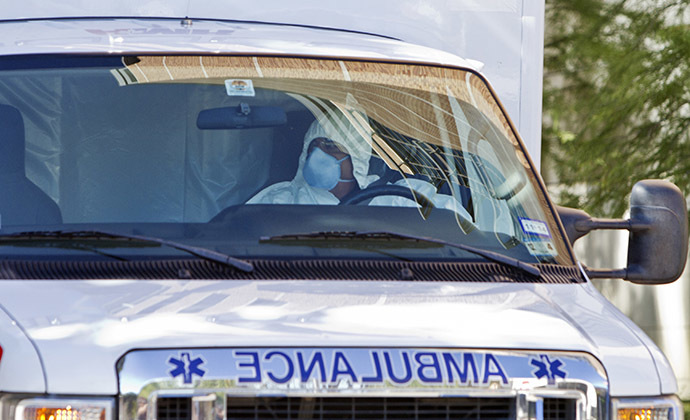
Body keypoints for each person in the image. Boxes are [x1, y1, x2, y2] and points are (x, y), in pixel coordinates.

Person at [247, 116, 378, 204]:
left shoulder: (386, 202)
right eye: (314, 146)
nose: (318, 154)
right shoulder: (280, 202)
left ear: (357, 159)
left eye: (331, 146)